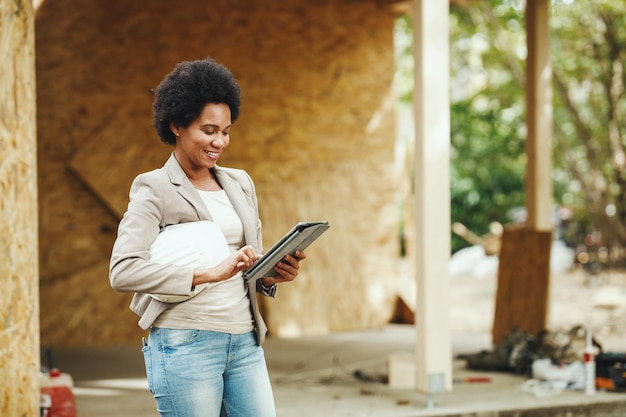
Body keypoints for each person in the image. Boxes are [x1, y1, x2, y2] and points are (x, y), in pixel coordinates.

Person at [109, 57, 306, 417]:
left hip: (245, 342)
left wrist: (272, 274)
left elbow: (247, 264)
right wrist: (207, 273)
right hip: (186, 344)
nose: (220, 142)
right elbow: (122, 271)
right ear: (177, 125)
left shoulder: (240, 182)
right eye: (209, 130)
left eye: (226, 131)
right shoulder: (154, 187)